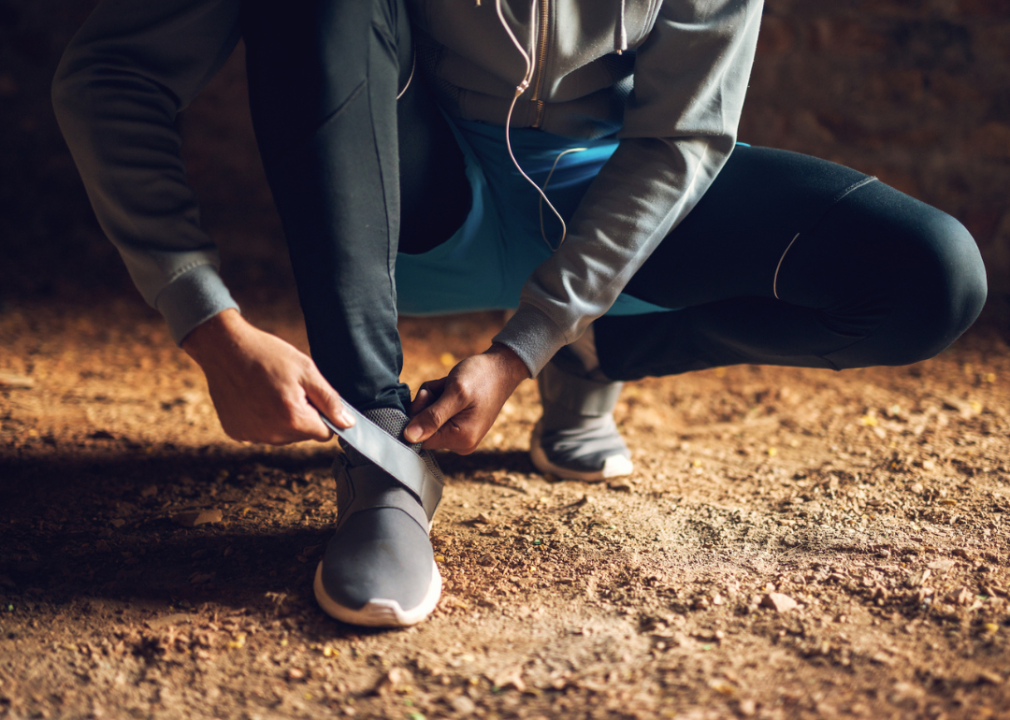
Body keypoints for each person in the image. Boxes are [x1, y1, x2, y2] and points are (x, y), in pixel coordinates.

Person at [53, 0, 987, 628]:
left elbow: (681, 140)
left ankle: (603, 344)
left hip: (609, 201)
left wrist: (530, 342)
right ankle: (383, 454)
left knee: (927, 277)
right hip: (407, 211)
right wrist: (208, 324)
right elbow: (111, 74)